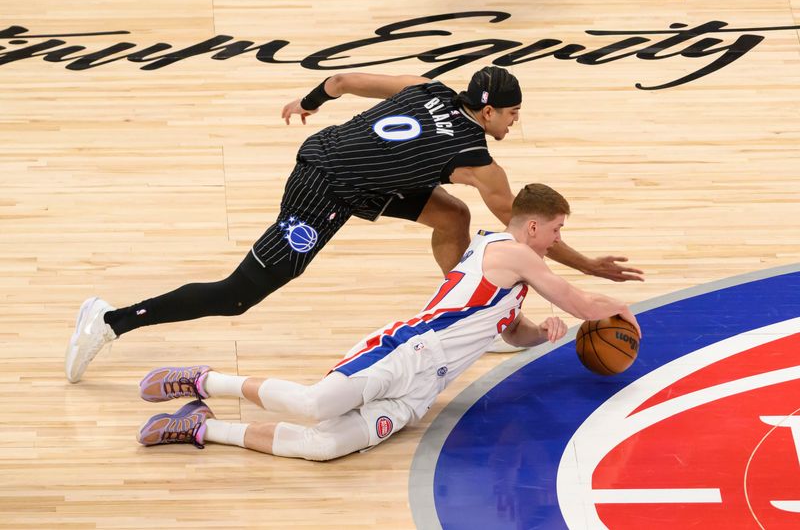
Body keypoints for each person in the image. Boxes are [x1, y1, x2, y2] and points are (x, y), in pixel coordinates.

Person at [66, 66, 643, 383]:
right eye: (513, 114)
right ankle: (111, 321)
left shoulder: (431, 88)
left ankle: (469, 310)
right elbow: (527, 231)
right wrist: (589, 266)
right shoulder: (480, 162)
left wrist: (311, 99)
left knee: (451, 213)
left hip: (353, 167)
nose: (517, 123)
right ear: (488, 111)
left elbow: (344, 80)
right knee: (239, 295)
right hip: (326, 187)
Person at [135, 183, 641, 460]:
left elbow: (511, 330)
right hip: (409, 350)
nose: (557, 239)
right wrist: (614, 310)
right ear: (533, 225)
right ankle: (203, 380)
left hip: (424, 388)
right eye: (555, 230)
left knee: (325, 447)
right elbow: (578, 300)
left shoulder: (514, 274)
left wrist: (541, 335)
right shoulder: (512, 251)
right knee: (316, 403)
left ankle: (201, 427)